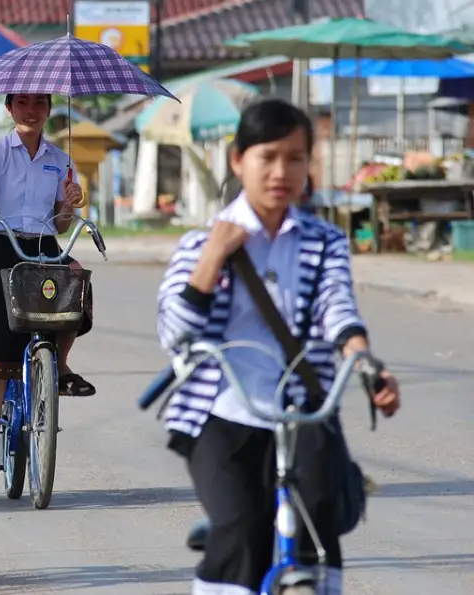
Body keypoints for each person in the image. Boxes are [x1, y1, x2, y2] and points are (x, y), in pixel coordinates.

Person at [156, 99, 401, 595]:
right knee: (241, 528)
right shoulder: (200, 243)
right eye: (267, 157)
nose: (280, 172)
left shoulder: (324, 242)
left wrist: (364, 361)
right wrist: (214, 257)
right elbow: (174, 331)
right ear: (238, 161)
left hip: (304, 408)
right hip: (222, 411)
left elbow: (338, 308)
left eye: (294, 158)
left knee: (320, 520)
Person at [0, 93, 90, 474]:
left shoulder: (61, 160)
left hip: (43, 245)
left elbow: (61, 224)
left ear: (48, 109)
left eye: (39, 104)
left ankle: (61, 364)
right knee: (2, 341)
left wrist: (70, 201)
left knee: (77, 284)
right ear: (9, 108)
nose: (30, 111)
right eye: (22, 103)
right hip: (5, 244)